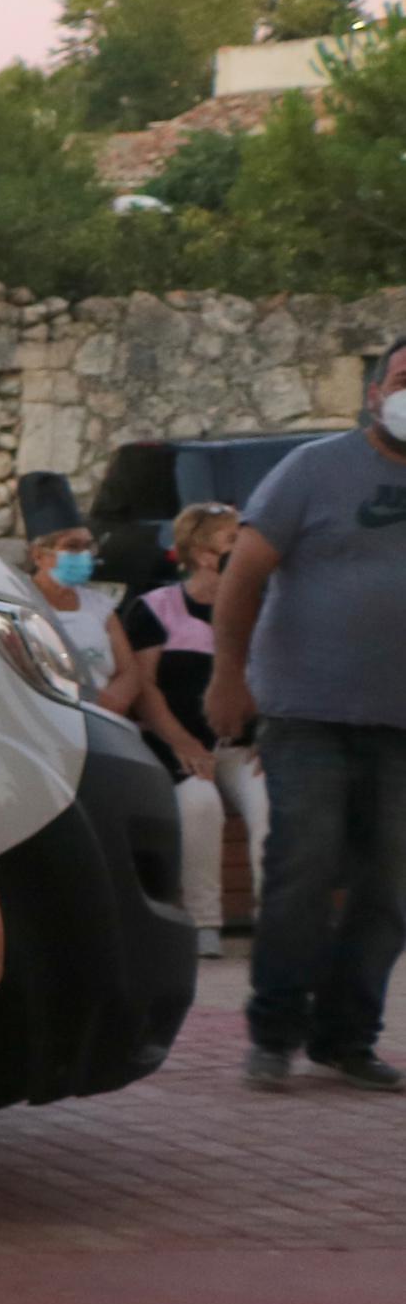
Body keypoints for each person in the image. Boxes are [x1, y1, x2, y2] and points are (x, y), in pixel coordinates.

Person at [207, 334, 406, 1091]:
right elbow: (243, 574)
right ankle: (273, 1029)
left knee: (388, 888)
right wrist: (228, 677)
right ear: (371, 392)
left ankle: (346, 1036)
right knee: (302, 869)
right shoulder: (312, 469)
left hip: (398, 728)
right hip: (307, 716)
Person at [110, 501, 265, 960]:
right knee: (199, 804)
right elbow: (146, 689)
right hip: (175, 747)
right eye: (232, 541)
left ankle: (275, 925)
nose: (244, 550)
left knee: (272, 811)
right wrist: (182, 742)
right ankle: (204, 923)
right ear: (201, 553)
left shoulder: (258, 609)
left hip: (240, 748)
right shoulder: (156, 609)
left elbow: (279, 676)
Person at [20, 518, 122, 699]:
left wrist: (113, 703)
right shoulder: (19, 597)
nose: (84, 555)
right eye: (72, 547)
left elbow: (128, 670)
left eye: (88, 547)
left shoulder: (99, 604)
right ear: (39, 555)